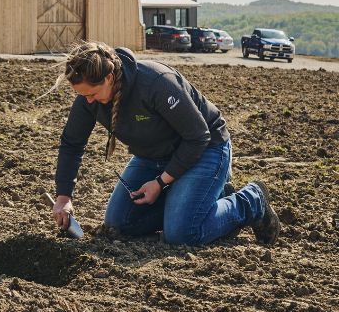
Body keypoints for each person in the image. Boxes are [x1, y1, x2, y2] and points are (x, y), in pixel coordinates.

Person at [51, 41, 280, 246]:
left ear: (109, 78)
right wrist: (64, 198)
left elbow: (198, 136)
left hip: (205, 150)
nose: (88, 101)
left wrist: (160, 183)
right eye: (82, 96)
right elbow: (72, 144)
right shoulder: (87, 99)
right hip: (152, 156)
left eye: (92, 94)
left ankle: (251, 201)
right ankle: (205, 202)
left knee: (181, 234)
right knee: (118, 225)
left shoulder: (156, 83)